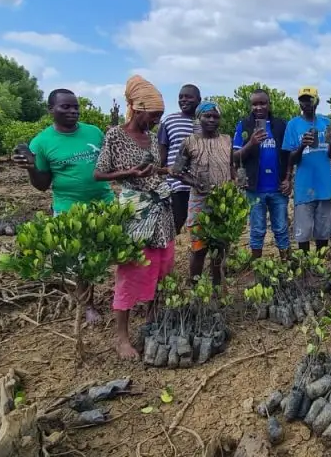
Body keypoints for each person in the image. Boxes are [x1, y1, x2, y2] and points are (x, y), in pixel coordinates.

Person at [12, 88, 114, 325]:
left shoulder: (94, 132)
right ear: (51, 110)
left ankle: (120, 298)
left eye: (75, 106)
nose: (73, 111)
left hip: (105, 203)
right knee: (80, 262)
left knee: (113, 253)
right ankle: (88, 305)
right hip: (70, 210)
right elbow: (42, 185)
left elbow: (109, 164)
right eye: (65, 107)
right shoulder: (42, 142)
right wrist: (29, 167)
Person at [93, 76, 176, 360]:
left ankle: (152, 322)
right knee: (131, 271)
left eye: (160, 117)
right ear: (138, 109)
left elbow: (152, 169)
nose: (156, 122)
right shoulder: (115, 135)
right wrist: (130, 173)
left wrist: (168, 171)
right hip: (135, 211)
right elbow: (100, 173)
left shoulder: (152, 138)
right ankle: (122, 338)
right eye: (153, 116)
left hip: (161, 210)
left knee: (161, 268)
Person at [173, 101, 234, 284]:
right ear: (199, 118)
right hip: (199, 201)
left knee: (220, 246)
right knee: (199, 248)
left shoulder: (226, 140)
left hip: (222, 201)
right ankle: (195, 287)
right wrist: (195, 183)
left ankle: (216, 285)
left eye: (215, 116)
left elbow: (231, 165)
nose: (211, 120)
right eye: (207, 116)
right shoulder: (189, 142)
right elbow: (177, 171)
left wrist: (234, 182)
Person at [232, 90, 291, 259]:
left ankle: (286, 267)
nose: (258, 107)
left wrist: (288, 179)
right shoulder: (243, 126)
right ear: (250, 105)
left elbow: (288, 156)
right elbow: (235, 157)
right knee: (257, 230)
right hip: (254, 189)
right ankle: (257, 267)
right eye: (255, 104)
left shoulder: (280, 125)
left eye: (262, 103)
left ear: (269, 104)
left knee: (281, 229)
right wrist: (251, 143)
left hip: (278, 188)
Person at [283, 87, 331, 254]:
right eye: (303, 100)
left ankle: (320, 266)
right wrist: (302, 145)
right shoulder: (293, 125)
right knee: (304, 234)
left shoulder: (326, 122)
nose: (306, 103)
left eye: (310, 99)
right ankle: (305, 267)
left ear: (317, 101)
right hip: (304, 186)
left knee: (323, 234)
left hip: (325, 186)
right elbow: (290, 159)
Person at [157, 84, 201, 234]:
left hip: (201, 184)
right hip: (177, 184)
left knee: (201, 229)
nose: (184, 100)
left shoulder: (206, 121)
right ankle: (166, 256)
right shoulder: (169, 121)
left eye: (188, 96)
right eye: (181, 97)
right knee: (174, 225)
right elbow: (161, 153)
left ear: (198, 100)